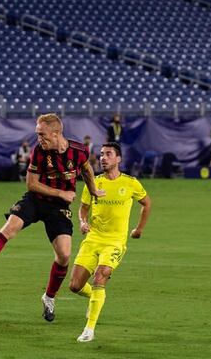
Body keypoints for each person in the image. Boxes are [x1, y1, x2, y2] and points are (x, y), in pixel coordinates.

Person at [0, 113, 104, 322]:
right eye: (37, 134)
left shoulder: (79, 150)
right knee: (10, 227)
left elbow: (86, 169)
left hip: (58, 209)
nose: (39, 139)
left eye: (42, 134)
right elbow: (31, 184)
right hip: (36, 200)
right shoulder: (39, 151)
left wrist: (92, 190)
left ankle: (49, 297)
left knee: (64, 255)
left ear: (56, 134)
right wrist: (60, 193)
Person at [69, 143, 151, 342]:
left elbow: (146, 203)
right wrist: (83, 222)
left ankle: (89, 329)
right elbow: (83, 208)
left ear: (118, 159)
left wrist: (139, 229)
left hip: (115, 242)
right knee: (75, 285)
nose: (103, 158)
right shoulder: (93, 182)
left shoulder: (131, 183)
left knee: (100, 276)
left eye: (108, 154)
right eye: (101, 154)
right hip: (93, 239)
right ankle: (95, 298)